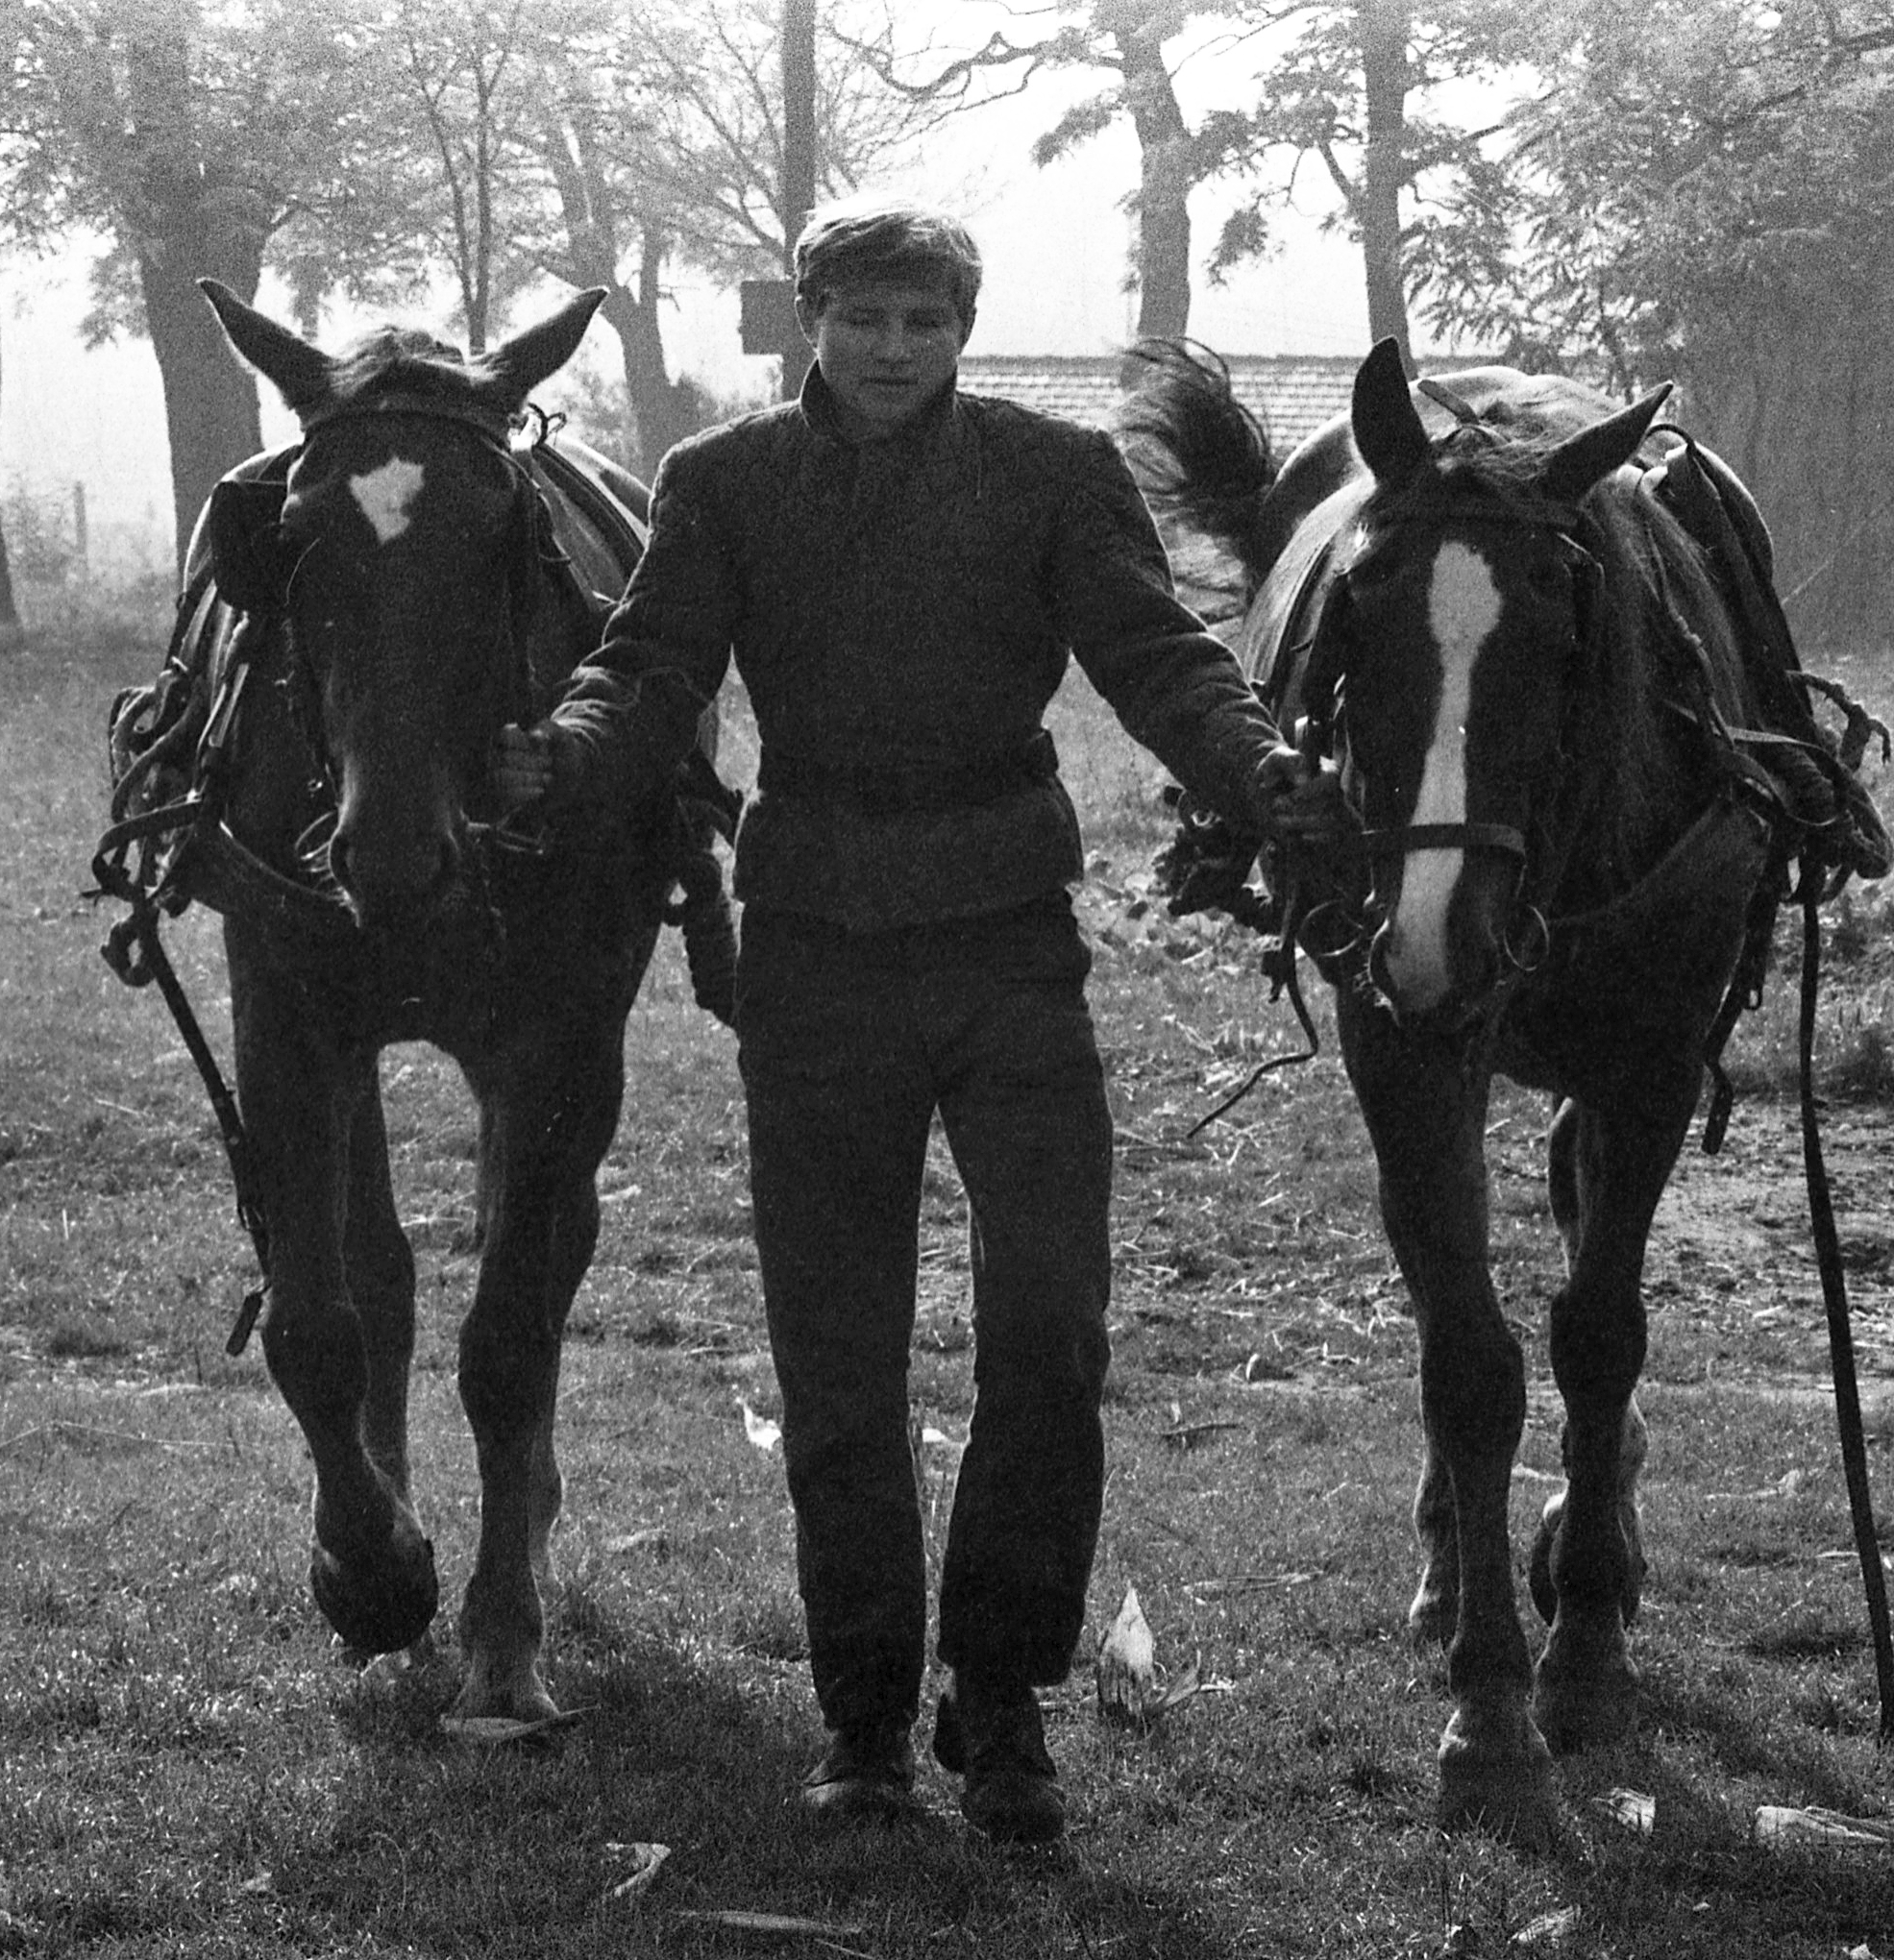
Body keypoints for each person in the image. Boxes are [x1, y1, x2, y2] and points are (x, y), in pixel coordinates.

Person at [495, 195, 1338, 1844]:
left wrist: (1260, 768)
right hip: (811, 952)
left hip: (1011, 948)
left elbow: (1158, 657)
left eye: (925, 323)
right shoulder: (722, 483)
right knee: (838, 1351)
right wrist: (567, 753)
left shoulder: (1048, 473)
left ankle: (1003, 1699)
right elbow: (646, 666)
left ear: (962, 328)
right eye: (864, 319)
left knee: (1049, 1328)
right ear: (812, 316)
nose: (894, 350)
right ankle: (868, 1715)